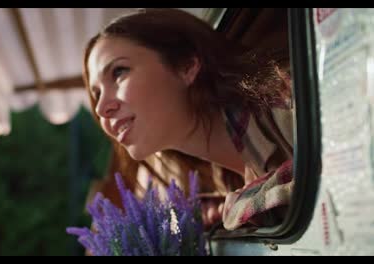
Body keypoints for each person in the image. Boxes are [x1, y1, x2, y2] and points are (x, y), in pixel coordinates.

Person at [82, 8, 294, 231]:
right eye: (96, 94)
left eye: (118, 72)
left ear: (186, 65)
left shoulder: (289, 98)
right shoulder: (222, 182)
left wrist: (240, 209)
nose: (101, 108)